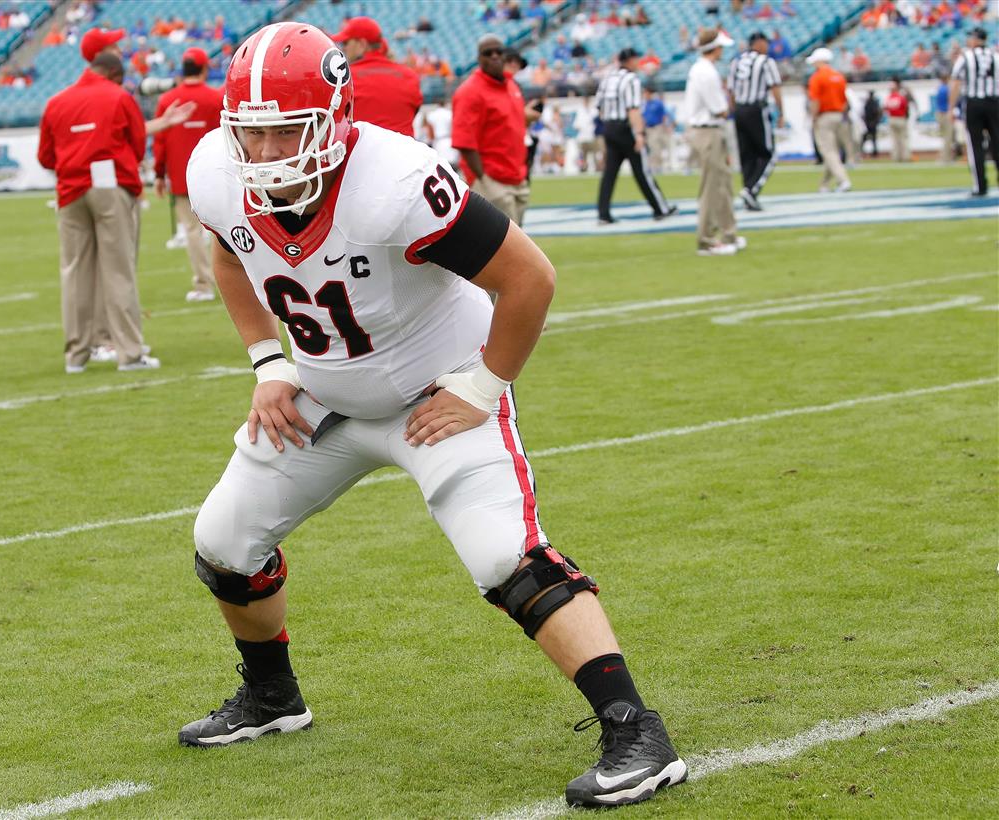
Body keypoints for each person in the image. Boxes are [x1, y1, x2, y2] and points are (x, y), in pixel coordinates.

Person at [177, 21, 687, 810]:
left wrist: (482, 388)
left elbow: (529, 278)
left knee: (504, 559)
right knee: (222, 545)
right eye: (254, 135)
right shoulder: (217, 169)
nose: (269, 154)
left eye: (287, 132)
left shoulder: (395, 179)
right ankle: (273, 700)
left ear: (336, 118)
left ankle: (636, 732)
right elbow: (229, 250)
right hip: (325, 395)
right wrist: (267, 361)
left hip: (435, 394)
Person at [38, 32, 159, 374]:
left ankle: (76, 355)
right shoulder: (119, 97)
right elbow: (136, 146)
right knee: (118, 271)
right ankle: (129, 353)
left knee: (75, 272)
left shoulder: (57, 101)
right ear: (115, 72)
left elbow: (46, 157)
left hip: (69, 190)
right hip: (110, 186)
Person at [153, 47, 223, 303]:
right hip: (216, 175)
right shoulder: (215, 98)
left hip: (182, 176)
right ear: (204, 69)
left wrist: (159, 173)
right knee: (224, 229)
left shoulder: (167, 100)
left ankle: (204, 284)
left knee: (192, 232)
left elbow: (160, 141)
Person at [452, 34, 536, 225]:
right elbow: (464, 142)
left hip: (516, 176)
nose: (495, 56)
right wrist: (483, 180)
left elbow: (509, 125)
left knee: (515, 243)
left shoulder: (511, 85)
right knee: (502, 250)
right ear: (479, 59)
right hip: (492, 179)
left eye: (499, 51)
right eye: (488, 53)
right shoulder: (470, 91)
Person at [595, 48, 675, 224]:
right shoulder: (631, 79)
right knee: (642, 171)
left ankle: (603, 213)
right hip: (626, 128)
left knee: (610, 173)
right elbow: (633, 109)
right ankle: (660, 208)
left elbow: (599, 107)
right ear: (629, 60)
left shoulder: (607, 78)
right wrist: (639, 133)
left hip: (609, 127)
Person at [685, 30, 743, 256]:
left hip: (707, 130)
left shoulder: (702, 69)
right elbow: (720, 109)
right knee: (713, 186)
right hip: (707, 130)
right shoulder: (706, 72)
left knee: (722, 184)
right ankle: (707, 239)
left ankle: (729, 234)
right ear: (715, 47)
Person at [331, 16, 422, 137]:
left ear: (362, 44)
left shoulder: (345, 78)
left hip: (360, 154)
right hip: (405, 153)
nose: (343, 48)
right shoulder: (410, 76)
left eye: (346, 42)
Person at [729, 31, 785, 211]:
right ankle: (751, 190)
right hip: (756, 109)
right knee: (769, 153)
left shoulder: (736, 61)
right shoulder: (766, 61)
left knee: (747, 155)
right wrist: (781, 112)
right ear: (759, 43)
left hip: (739, 109)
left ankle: (749, 193)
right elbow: (775, 86)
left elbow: (730, 90)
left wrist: (734, 110)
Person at [950, 26, 998, 197]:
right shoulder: (995, 55)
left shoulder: (966, 56)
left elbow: (955, 81)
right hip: (994, 102)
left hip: (974, 103)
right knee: (997, 143)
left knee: (975, 145)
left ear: (976, 39)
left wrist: (950, 108)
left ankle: (980, 186)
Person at [806, 47, 852, 193]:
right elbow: (845, 101)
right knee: (833, 152)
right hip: (839, 115)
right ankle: (824, 184)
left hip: (824, 116)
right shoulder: (839, 76)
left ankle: (843, 180)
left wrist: (813, 118)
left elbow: (815, 101)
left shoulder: (817, 77)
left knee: (828, 151)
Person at [883, 76, 916, 162]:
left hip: (892, 118)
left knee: (894, 140)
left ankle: (895, 157)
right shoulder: (902, 95)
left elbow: (886, 107)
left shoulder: (890, 96)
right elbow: (905, 106)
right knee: (903, 139)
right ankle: (905, 157)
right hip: (901, 118)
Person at [642, 85, 672, 175]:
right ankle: (653, 166)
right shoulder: (644, 104)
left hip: (656, 128)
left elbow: (663, 116)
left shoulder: (657, 103)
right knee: (651, 148)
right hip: (647, 129)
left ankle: (657, 166)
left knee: (656, 147)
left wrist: (665, 127)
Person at [934, 73, 955, 164]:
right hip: (946, 113)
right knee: (948, 137)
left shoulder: (939, 88)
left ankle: (944, 157)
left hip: (939, 113)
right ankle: (946, 158)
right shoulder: (947, 89)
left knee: (945, 137)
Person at [862, 90, 882, 158]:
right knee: (872, 139)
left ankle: (873, 152)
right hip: (871, 123)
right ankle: (874, 152)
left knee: (867, 138)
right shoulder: (874, 103)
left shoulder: (868, 103)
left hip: (870, 123)